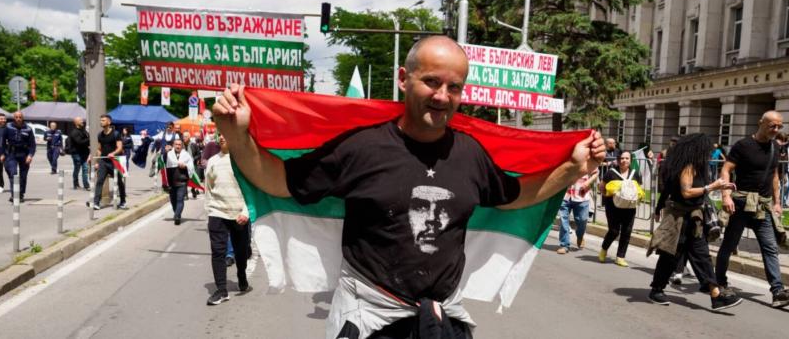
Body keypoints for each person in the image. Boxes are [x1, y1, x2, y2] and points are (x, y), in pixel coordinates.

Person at [213, 36, 606, 338]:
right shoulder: (362, 147)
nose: (442, 96)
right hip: (370, 318)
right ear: (404, 79)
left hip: (441, 319)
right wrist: (238, 133)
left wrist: (573, 167)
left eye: (454, 87)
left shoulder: (470, 154)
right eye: (431, 82)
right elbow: (280, 182)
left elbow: (515, 196)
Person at [646, 133, 742, 310]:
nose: (708, 153)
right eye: (706, 150)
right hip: (678, 218)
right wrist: (712, 187)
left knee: (701, 255)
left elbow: (696, 191)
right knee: (670, 255)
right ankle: (656, 289)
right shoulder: (688, 166)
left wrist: (721, 186)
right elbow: (686, 192)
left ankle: (716, 295)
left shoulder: (699, 166)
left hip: (694, 218)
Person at [716, 110, 789, 308]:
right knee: (729, 245)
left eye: (779, 126)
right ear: (760, 122)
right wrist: (726, 195)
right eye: (772, 125)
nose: (776, 129)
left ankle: (777, 291)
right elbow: (726, 169)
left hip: (762, 206)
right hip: (740, 204)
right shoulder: (743, 145)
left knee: (770, 247)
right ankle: (719, 283)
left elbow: (774, 176)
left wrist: (777, 202)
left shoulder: (774, 147)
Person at [204, 134, 252, 305]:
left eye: (227, 133)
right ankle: (221, 290)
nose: (223, 137)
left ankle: (241, 275)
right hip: (217, 212)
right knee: (218, 252)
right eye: (220, 134)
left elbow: (251, 188)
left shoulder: (244, 161)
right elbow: (208, 188)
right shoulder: (212, 161)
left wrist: (246, 212)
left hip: (239, 213)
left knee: (241, 251)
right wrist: (209, 210)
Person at [599, 150, 644, 267]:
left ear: (630, 160)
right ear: (618, 160)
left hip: (629, 207)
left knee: (626, 231)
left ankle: (620, 257)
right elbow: (602, 186)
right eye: (622, 158)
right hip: (613, 206)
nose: (624, 160)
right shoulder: (611, 173)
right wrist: (607, 195)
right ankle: (604, 249)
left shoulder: (635, 173)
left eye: (627, 158)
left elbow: (638, 188)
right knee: (614, 231)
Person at [87, 114, 127, 210]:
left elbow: (120, 148)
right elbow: (100, 149)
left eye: (103, 120)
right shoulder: (100, 135)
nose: (101, 122)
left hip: (115, 161)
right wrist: (95, 160)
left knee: (119, 182)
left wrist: (113, 153)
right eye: (101, 120)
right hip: (104, 161)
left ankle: (123, 201)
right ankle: (96, 202)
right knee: (100, 180)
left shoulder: (116, 134)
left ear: (109, 122)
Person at [557, 169, 598, 254]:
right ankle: (564, 245)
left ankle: (580, 236)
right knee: (563, 221)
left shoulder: (587, 158)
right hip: (564, 195)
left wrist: (588, 182)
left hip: (581, 195)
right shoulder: (563, 157)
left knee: (582, 220)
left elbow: (596, 172)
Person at [0, 111, 36, 203]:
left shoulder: (28, 129)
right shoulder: (8, 127)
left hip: (24, 154)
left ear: (22, 118)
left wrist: (30, 155)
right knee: (13, 174)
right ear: (14, 118)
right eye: (16, 117)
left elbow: (32, 144)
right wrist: (2, 153)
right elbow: (3, 141)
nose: (18, 119)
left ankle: (20, 194)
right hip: (12, 153)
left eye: (20, 117)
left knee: (23, 176)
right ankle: (14, 194)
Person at [166, 138, 194, 225]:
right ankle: (177, 212)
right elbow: (163, 161)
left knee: (180, 199)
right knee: (173, 200)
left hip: (182, 180)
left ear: (182, 146)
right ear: (173, 145)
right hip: (171, 181)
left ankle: (177, 216)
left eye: (179, 144)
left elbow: (191, 165)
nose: (178, 146)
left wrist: (185, 166)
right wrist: (164, 151)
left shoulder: (186, 155)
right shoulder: (169, 154)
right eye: (176, 144)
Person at [68, 117, 91, 190]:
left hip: (84, 153)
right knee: (77, 169)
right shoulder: (74, 132)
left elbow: (86, 140)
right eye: (80, 121)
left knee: (85, 169)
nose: (82, 122)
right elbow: (79, 142)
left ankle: (86, 185)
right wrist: (89, 139)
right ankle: (76, 184)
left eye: (82, 120)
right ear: (76, 122)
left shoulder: (84, 131)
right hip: (76, 154)